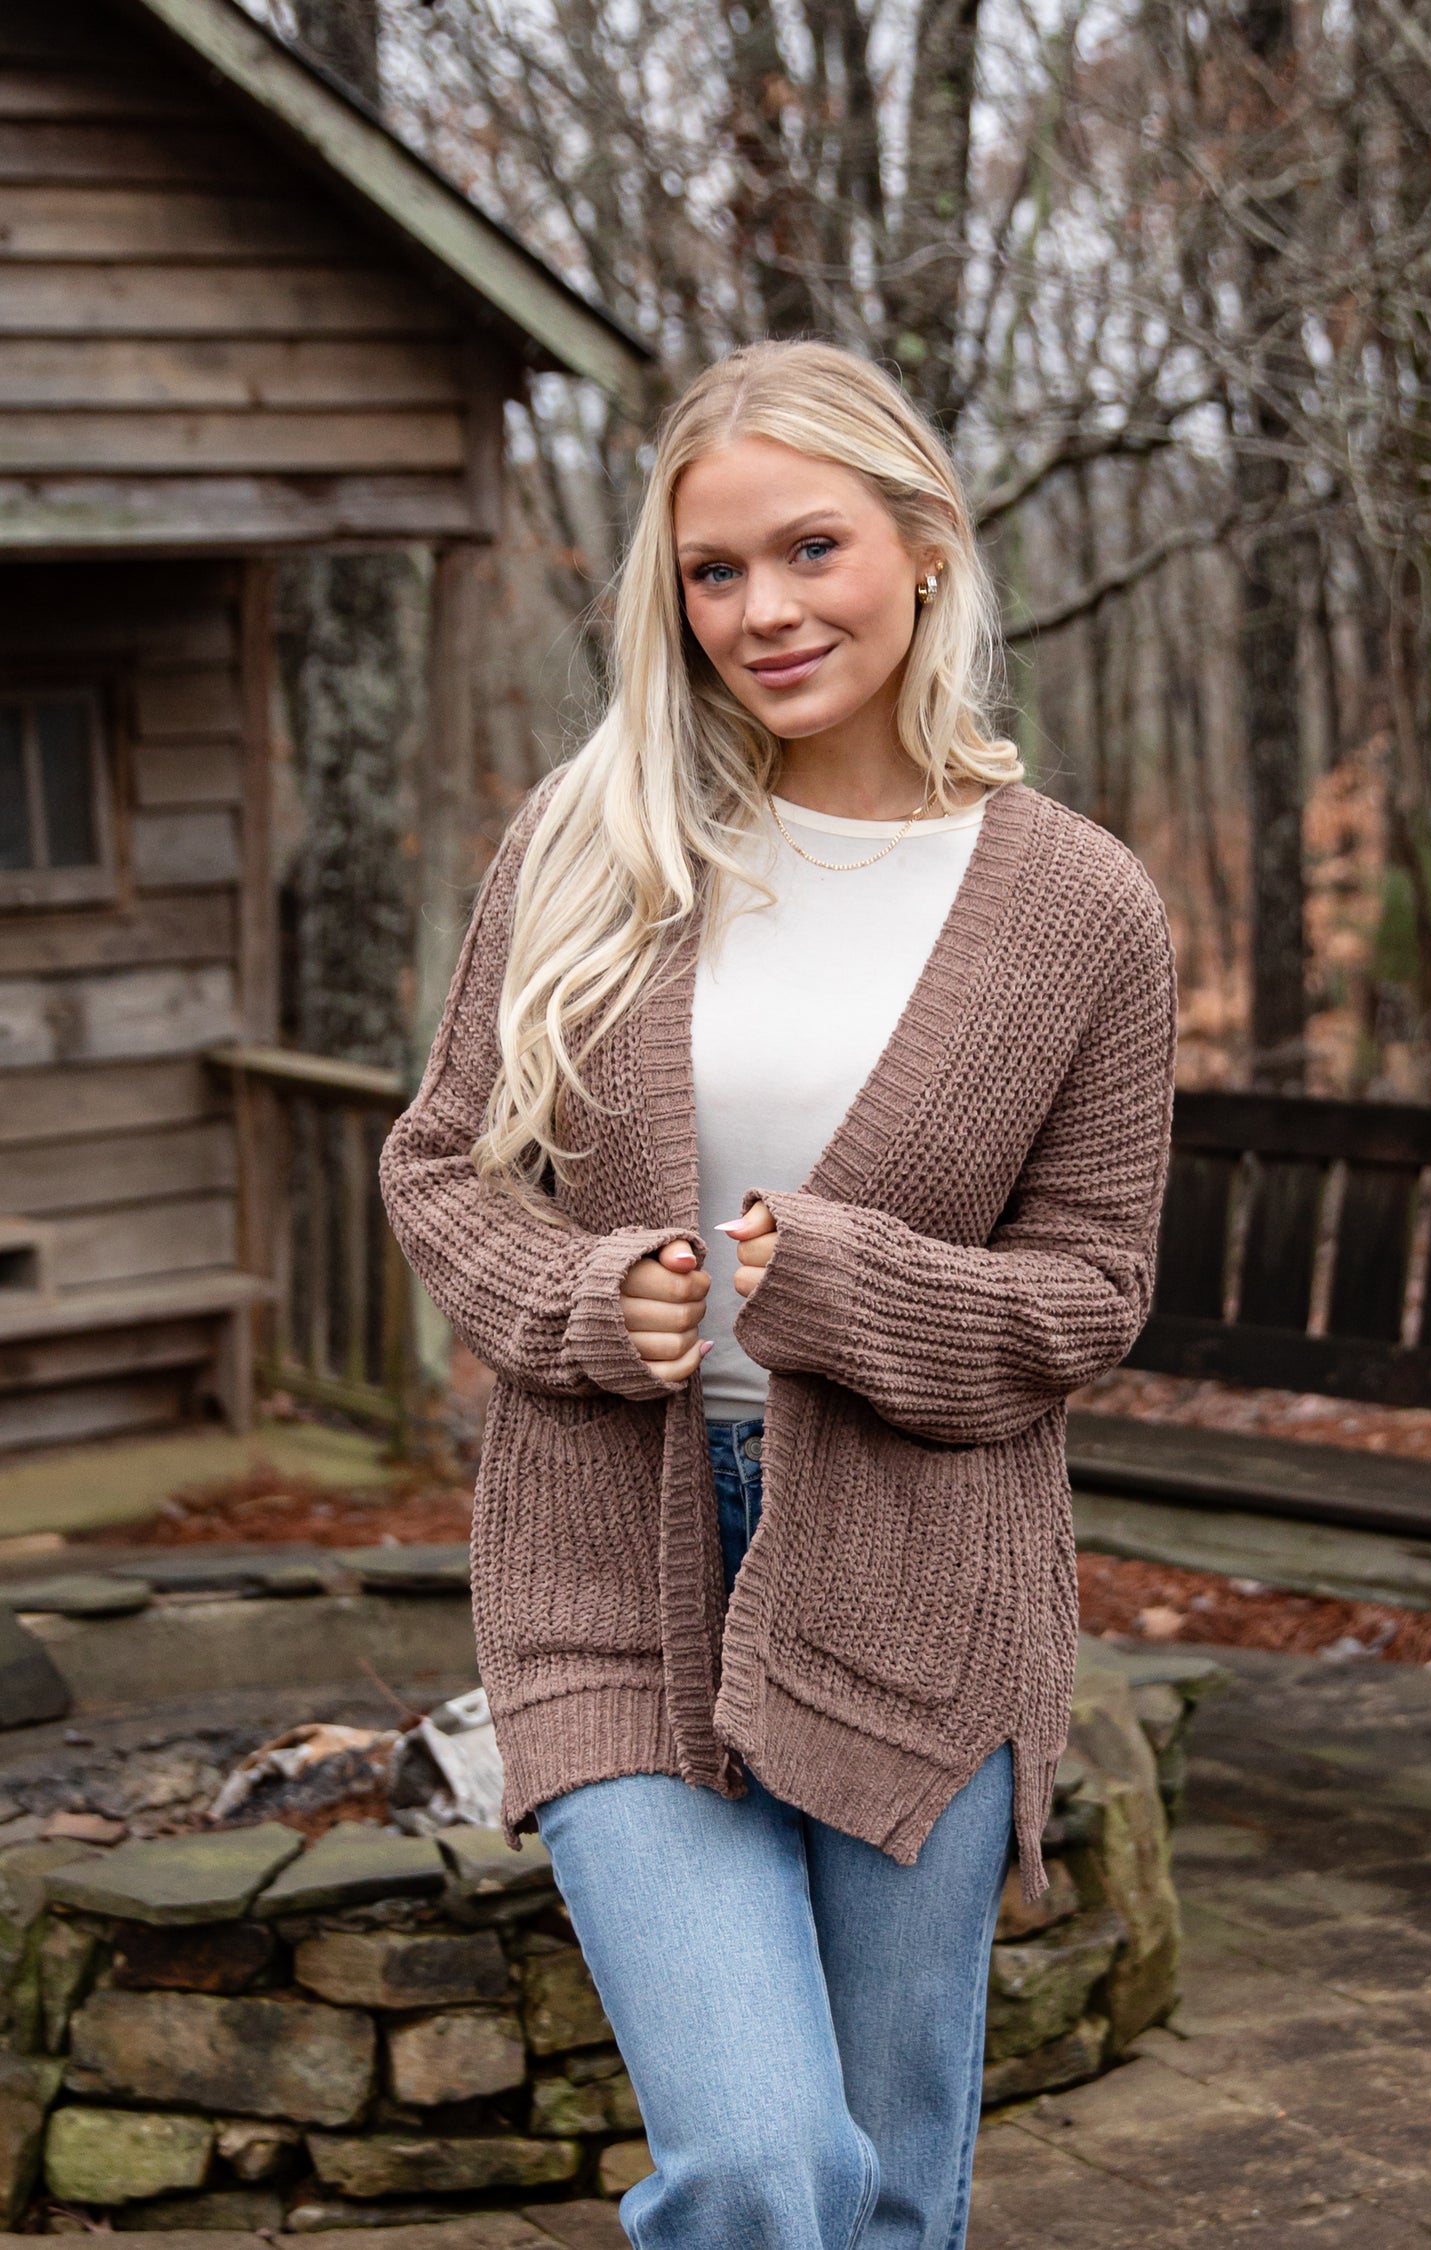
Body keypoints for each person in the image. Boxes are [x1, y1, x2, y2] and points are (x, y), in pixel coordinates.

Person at [380, 339, 1176, 2249]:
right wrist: (581, 1297)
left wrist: (854, 1283)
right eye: (712, 572)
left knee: (891, 2188)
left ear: (921, 543)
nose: (763, 611)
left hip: (922, 1582)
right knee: (763, 2164)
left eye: (807, 547)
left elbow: (1093, 1289)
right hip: (609, 1567)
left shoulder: (1081, 907)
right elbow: (439, 1163)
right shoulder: (597, 844)